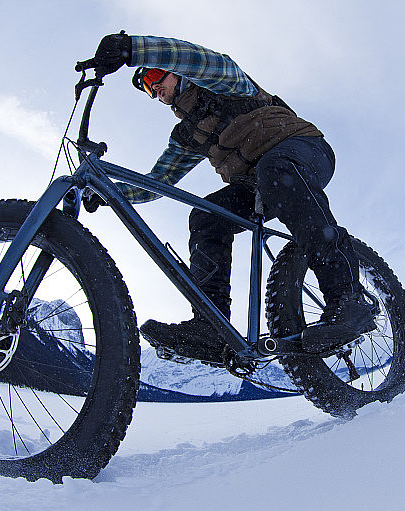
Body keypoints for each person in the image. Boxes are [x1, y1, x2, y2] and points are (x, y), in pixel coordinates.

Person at [90, 32, 374, 362]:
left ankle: (348, 297)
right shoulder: (186, 135)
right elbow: (158, 181)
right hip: (261, 184)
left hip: (304, 151)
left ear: (174, 71)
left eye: (155, 77)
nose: (155, 91)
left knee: (275, 169)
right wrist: (108, 193)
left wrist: (132, 50)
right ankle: (210, 326)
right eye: (148, 90)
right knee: (205, 215)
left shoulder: (223, 82)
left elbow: (193, 58)